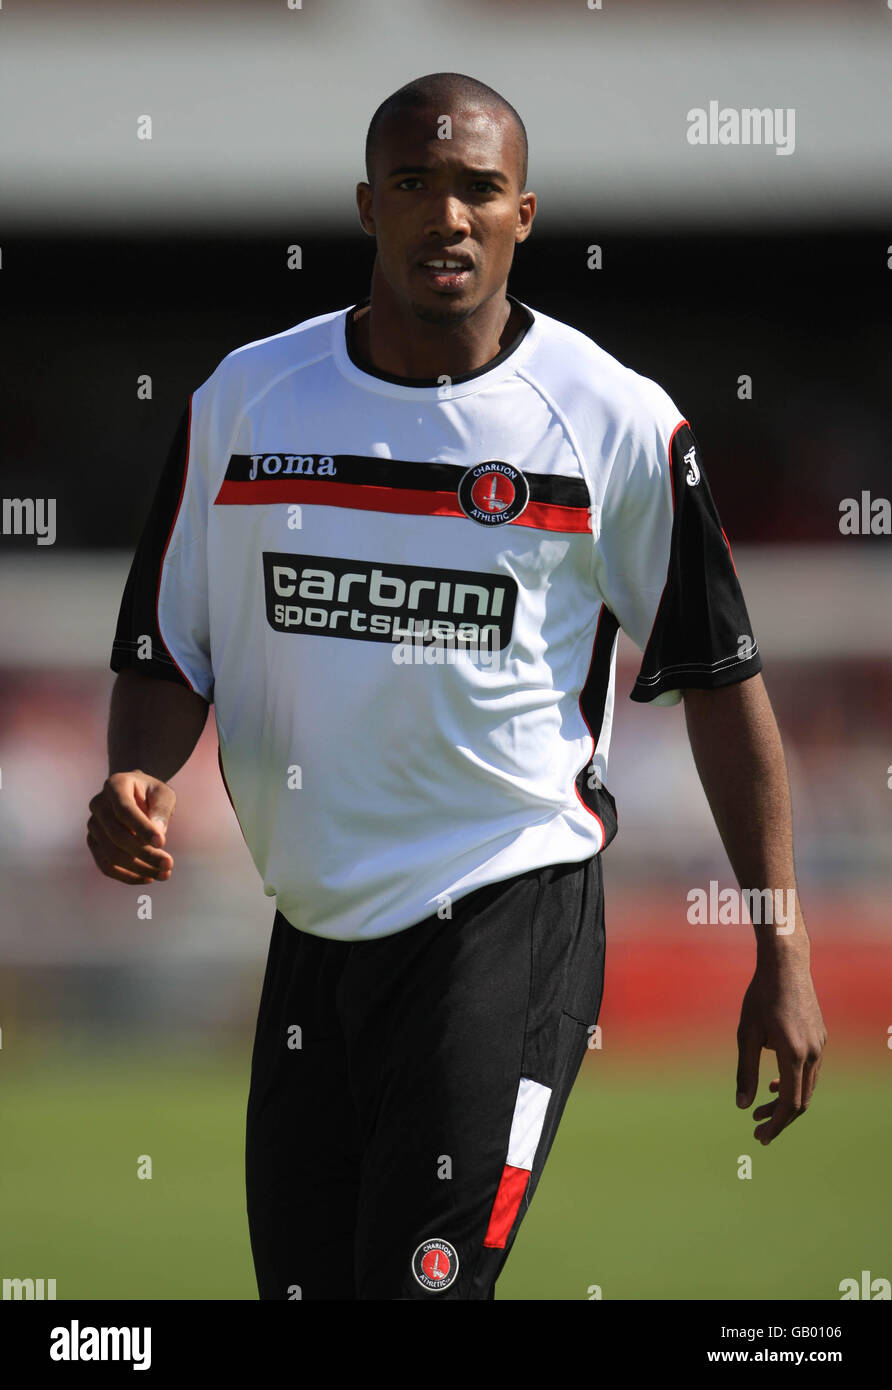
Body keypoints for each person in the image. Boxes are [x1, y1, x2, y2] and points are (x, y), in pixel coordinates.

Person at [87, 72, 827, 1301]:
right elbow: (170, 650)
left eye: (479, 188)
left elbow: (721, 687)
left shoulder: (612, 419)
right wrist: (136, 773)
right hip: (311, 933)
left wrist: (780, 946)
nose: (448, 216)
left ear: (523, 213)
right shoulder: (243, 400)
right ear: (367, 204)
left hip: (504, 911)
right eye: (418, 186)